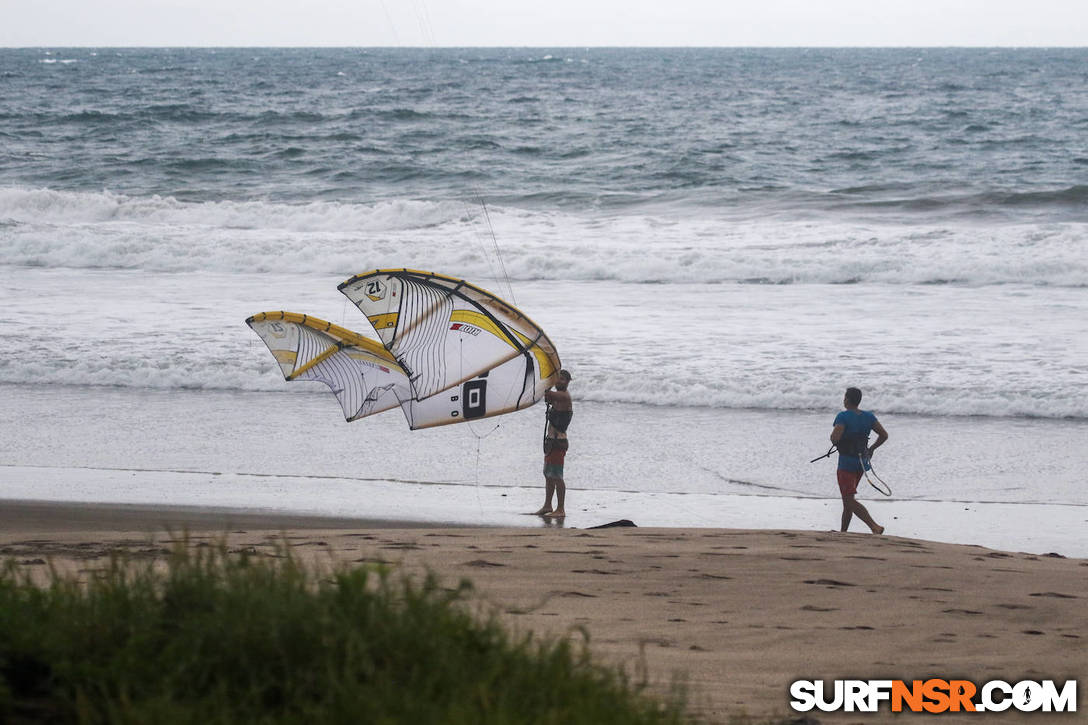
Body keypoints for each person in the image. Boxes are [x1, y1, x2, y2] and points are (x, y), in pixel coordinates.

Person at [830, 387, 888, 534]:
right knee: (847, 499)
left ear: (847, 400)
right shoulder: (869, 417)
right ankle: (843, 532)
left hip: (846, 463)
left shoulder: (843, 416)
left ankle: (874, 526)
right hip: (861, 463)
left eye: (844, 397)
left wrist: (839, 439)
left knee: (849, 499)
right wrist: (872, 448)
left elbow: (835, 438)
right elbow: (883, 435)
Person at [534, 369, 572, 518]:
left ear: (568, 382)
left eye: (562, 379)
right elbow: (548, 398)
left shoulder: (564, 396)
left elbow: (547, 393)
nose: (559, 382)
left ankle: (561, 509)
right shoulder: (556, 397)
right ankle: (547, 505)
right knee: (548, 475)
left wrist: (548, 379)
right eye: (558, 379)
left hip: (558, 443)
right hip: (551, 442)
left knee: (557, 476)